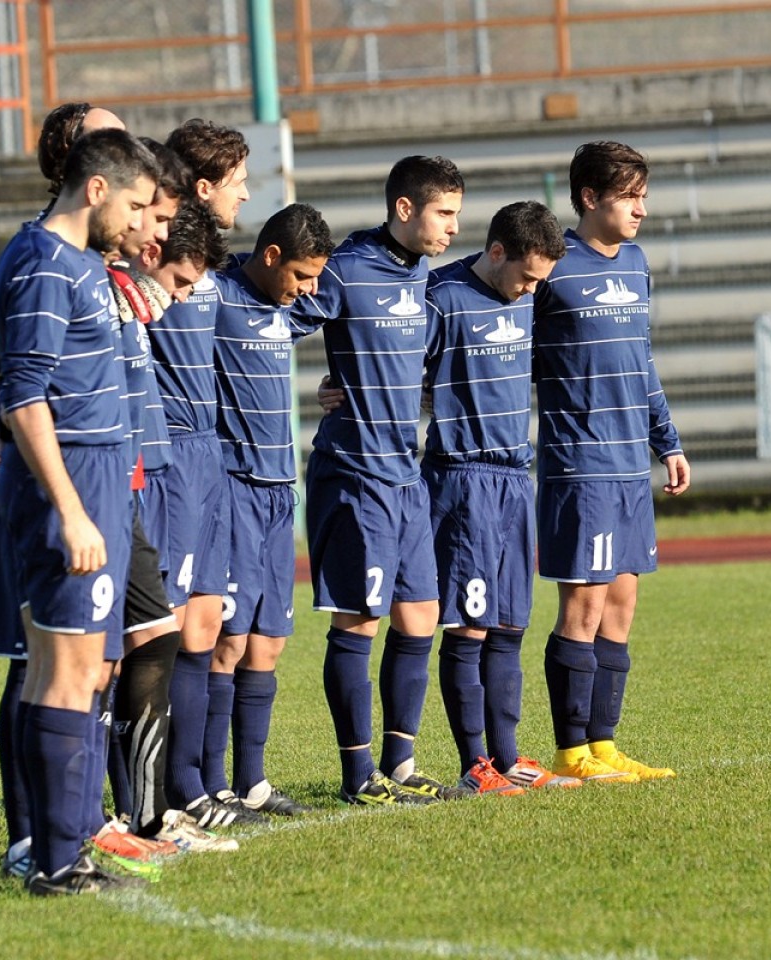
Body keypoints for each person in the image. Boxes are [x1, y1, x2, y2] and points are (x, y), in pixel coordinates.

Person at [0, 127, 158, 895]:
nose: (137, 220)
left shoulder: (88, 264)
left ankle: (59, 849)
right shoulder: (40, 266)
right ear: (96, 189)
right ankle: (53, 860)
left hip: (100, 478)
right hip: (72, 487)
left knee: (82, 670)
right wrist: (71, 508)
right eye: (134, 203)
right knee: (64, 671)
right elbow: (20, 392)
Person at [293, 155, 471, 806]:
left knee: (421, 615)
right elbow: (279, 322)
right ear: (405, 209)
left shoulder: (422, 272)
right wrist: (324, 383)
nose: (454, 227)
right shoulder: (343, 269)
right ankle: (355, 775)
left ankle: (400, 766)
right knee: (359, 620)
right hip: (355, 470)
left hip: (407, 472)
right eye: (444, 213)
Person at [532, 141, 690, 785]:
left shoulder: (636, 262)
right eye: (628, 196)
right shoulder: (553, 267)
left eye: (643, 196)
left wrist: (668, 441)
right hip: (580, 464)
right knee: (585, 608)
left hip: (630, 465)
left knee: (621, 605)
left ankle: (605, 746)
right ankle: (571, 752)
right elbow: (493, 330)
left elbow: (642, 361)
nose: (640, 209)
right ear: (590, 198)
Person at [416, 201, 583, 794]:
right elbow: (394, 364)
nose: (532, 289)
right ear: (495, 253)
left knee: (511, 622)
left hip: (516, 477)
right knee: (469, 625)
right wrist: (337, 384)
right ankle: (474, 764)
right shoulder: (441, 296)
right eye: (527, 276)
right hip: (461, 479)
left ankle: (508, 758)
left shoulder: (528, 301)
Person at [200, 203, 334, 816]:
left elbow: (345, 290)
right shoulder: (217, 296)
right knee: (226, 641)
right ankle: (209, 783)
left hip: (283, 491)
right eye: (303, 277)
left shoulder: (286, 308)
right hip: (232, 490)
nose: (310, 292)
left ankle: (252, 781)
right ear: (272, 257)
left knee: (268, 643)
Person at [146, 119, 258, 828]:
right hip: (168, 458)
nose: (247, 194)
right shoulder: (148, 260)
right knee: (169, 630)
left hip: (213, 455)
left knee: (210, 622)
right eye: (239, 180)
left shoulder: (216, 269)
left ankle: (197, 784)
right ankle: (165, 792)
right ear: (205, 185)